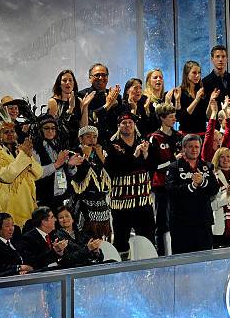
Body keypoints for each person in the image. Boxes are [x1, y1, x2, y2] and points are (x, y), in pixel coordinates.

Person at [106, 113, 155, 258]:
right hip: (121, 203)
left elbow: (152, 166)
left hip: (142, 200)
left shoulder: (144, 142)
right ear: (118, 126)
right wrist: (135, 156)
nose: (127, 125)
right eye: (124, 123)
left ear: (134, 125)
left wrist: (145, 155)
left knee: (147, 237)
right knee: (121, 240)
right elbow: (116, 169)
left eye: (130, 122)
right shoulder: (113, 145)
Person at [165, 134, 219, 254]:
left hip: (203, 222)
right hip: (181, 224)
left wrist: (203, 182)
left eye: (197, 147)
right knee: (183, 260)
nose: (194, 150)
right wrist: (192, 186)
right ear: (184, 148)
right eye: (190, 147)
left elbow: (214, 189)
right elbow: (171, 191)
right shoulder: (174, 167)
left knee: (205, 259)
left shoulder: (206, 166)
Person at [148, 103, 183, 255]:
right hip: (161, 186)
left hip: (179, 184)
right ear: (162, 118)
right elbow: (154, 165)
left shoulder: (179, 136)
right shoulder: (154, 138)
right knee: (162, 222)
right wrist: (174, 160)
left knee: (179, 220)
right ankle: (161, 254)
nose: (174, 119)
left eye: (174, 116)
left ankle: (180, 251)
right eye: (170, 117)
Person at [32, 115, 84, 211]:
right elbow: (36, 173)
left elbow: (69, 173)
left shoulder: (58, 146)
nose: (50, 131)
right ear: (40, 130)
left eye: (53, 128)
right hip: (44, 198)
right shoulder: (35, 149)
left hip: (62, 195)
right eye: (46, 128)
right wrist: (57, 164)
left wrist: (70, 166)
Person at [71, 125, 112, 240]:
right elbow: (77, 177)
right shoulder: (74, 154)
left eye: (94, 137)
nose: (92, 139)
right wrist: (86, 157)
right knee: (85, 235)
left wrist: (100, 156)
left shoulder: (101, 153)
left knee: (102, 236)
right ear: (81, 139)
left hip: (101, 201)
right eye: (88, 136)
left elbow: (111, 174)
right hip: (84, 202)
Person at [77, 63, 123, 143]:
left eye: (104, 75)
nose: (101, 78)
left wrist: (115, 105)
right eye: (97, 75)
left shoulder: (116, 96)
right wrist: (108, 105)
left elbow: (120, 120)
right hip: (92, 142)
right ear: (90, 78)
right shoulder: (82, 95)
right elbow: (90, 119)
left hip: (114, 142)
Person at [47, 69, 94, 146]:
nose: (67, 83)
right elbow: (53, 128)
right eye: (64, 80)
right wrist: (71, 108)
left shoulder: (79, 100)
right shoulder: (53, 102)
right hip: (59, 143)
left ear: (74, 83)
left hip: (75, 143)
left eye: (70, 80)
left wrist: (85, 106)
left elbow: (83, 127)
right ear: (59, 84)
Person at [174, 60, 208, 134]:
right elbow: (181, 117)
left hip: (202, 133)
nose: (197, 75)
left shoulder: (202, 91)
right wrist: (196, 100)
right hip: (186, 134)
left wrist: (212, 101)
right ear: (187, 74)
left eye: (199, 73)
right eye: (194, 73)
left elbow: (206, 117)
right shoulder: (180, 92)